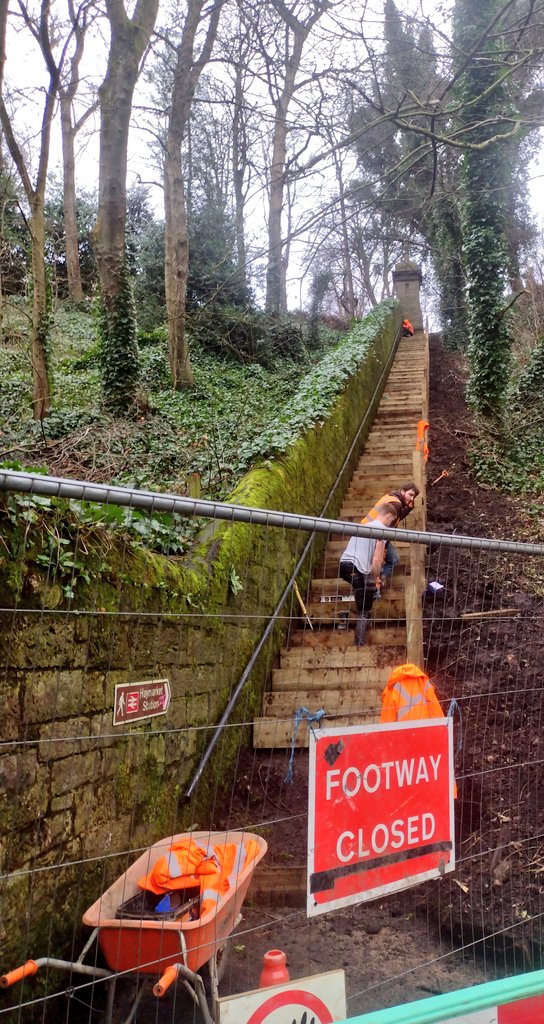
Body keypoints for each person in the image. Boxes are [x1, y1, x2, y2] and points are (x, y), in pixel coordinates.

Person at [339, 502, 398, 646]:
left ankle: (362, 631)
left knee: (365, 593)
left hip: (344, 565)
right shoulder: (382, 531)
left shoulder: (364, 526)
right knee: (364, 610)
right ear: (389, 516)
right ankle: (360, 646)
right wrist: (375, 578)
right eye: (392, 521)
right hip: (357, 568)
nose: (391, 524)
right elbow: (377, 560)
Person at [362, 483, 419, 583]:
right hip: (374, 535)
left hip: (368, 531)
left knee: (392, 559)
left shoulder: (391, 498)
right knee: (388, 560)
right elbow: (387, 528)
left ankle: (378, 579)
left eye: (413, 497)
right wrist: (382, 550)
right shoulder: (396, 504)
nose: (412, 499)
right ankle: (375, 582)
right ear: (403, 491)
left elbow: (396, 517)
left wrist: (409, 509)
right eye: (410, 494)